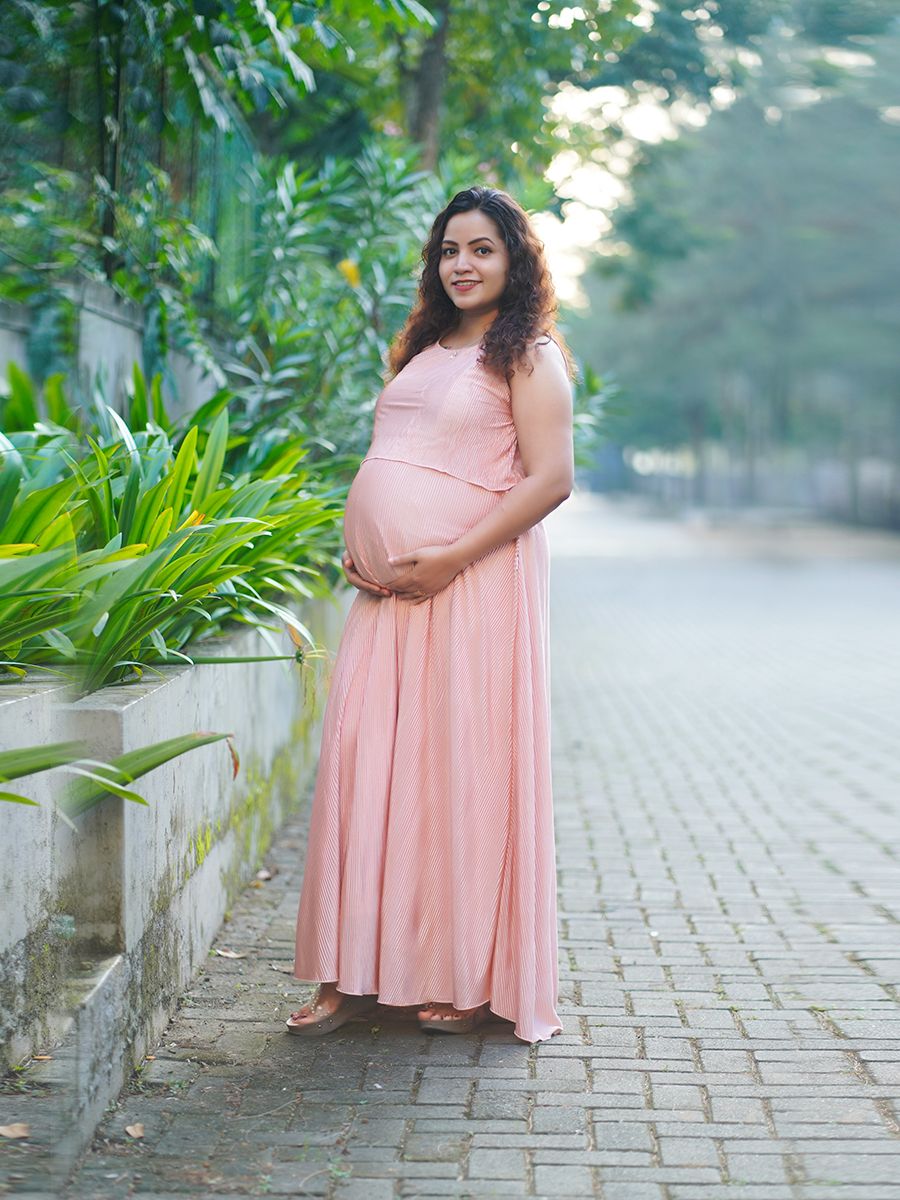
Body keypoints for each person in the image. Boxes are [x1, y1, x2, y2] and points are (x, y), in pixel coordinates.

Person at [286, 185, 575, 1042]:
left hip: (469, 590)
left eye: (483, 249)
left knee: (456, 777)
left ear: (515, 259)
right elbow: (399, 456)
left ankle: (467, 977)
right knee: (364, 769)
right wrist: (364, 544)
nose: (463, 264)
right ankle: (351, 970)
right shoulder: (423, 346)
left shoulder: (530, 354)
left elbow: (551, 479)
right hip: (388, 601)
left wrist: (448, 555)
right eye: (451, 249)